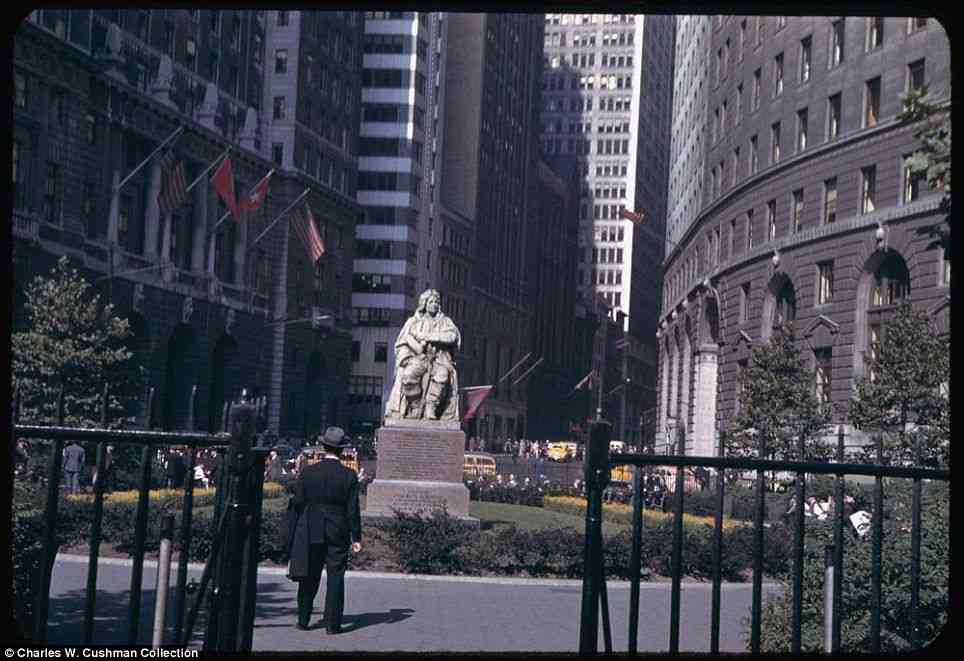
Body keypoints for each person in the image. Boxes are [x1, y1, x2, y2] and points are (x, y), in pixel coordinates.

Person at [286, 427, 362, 633]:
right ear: (342, 450)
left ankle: (303, 620)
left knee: (309, 574)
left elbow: (299, 501)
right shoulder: (349, 475)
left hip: (312, 527)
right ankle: (333, 624)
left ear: (323, 446)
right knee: (336, 576)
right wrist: (356, 537)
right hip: (338, 529)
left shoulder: (308, 472)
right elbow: (352, 509)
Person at [385, 288, 461, 421]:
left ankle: (431, 406)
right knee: (408, 375)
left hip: (439, 359)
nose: (434, 304)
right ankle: (415, 406)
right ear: (424, 304)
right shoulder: (414, 321)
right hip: (418, 358)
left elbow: (452, 336)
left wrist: (430, 337)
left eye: (437, 302)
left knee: (442, 375)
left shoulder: (445, 321)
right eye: (431, 301)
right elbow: (402, 342)